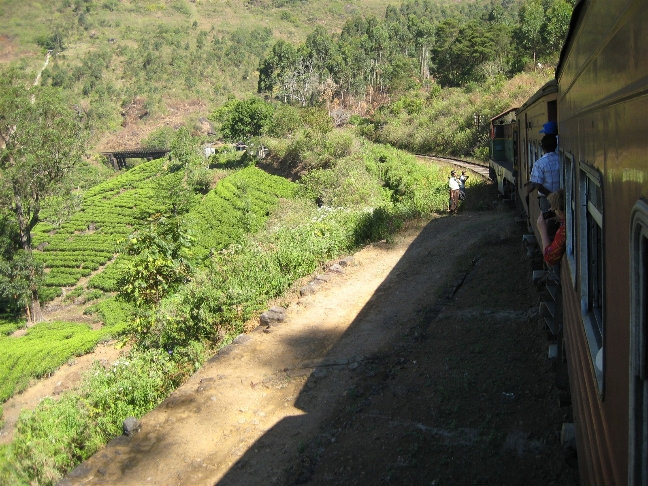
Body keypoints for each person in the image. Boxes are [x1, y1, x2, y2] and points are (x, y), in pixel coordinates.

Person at [525, 134, 560, 212]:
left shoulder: (539, 163)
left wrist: (550, 195)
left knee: (547, 220)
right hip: (561, 198)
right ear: (555, 146)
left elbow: (537, 184)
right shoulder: (561, 160)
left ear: (543, 147)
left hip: (546, 199)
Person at [536, 189, 565, 266]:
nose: (550, 210)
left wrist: (542, 231)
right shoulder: (564, 223)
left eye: (554, 209)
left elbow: (549, 258)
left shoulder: (563, 230)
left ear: (559, 211)